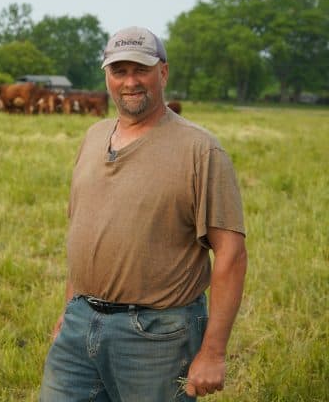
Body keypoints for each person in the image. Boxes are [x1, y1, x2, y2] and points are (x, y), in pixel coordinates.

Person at [39, 26, 247, 401]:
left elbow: (230, 252)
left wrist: (213, 352)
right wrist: (70, 309)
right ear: (107, 76)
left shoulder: (200, 150)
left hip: (157, 335)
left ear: (163, 73)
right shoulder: (93, 137)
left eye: (141, 70)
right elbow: (85, 231)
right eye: (119, 71)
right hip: (79, 324)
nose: (130, 82)